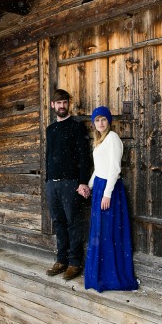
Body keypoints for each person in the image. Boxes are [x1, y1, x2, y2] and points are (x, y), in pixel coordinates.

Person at [79, 106, 139, 293]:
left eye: (103, 119)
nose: (100, 123)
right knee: (99, 231)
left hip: (109, 189)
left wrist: (107, 193)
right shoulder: (99, 141)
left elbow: (114, 169)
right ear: (94, 123)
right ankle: (99, 274)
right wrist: (89, 186)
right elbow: (98, 169)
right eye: (97, 120)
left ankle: (111, 276)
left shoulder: (113, 138)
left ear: (109, 121)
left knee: (108, 231)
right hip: (99, 187)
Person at [45, 88, 91, 281]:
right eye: (59, 103)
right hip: (52, 184)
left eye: (65, 102)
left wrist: (82, 182)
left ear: (68, 105)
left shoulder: (76, 126)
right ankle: (61, 260)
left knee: (73, 222)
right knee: (58, 222)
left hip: (70, 183)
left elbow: (84, 156)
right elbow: (49, 156)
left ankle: (74, 263)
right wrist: (48, 180)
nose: (62, 106)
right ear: (53, 105)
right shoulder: (51, 129)